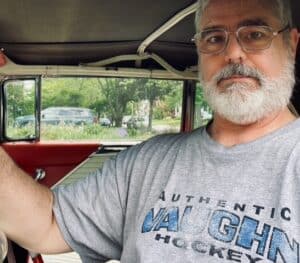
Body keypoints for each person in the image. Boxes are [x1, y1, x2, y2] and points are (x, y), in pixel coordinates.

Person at [0, 0, 299, 262]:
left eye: (256, 35)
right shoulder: (148, 160)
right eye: (214, 37)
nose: (233, 52)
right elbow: (49, 224)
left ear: (292, 44)